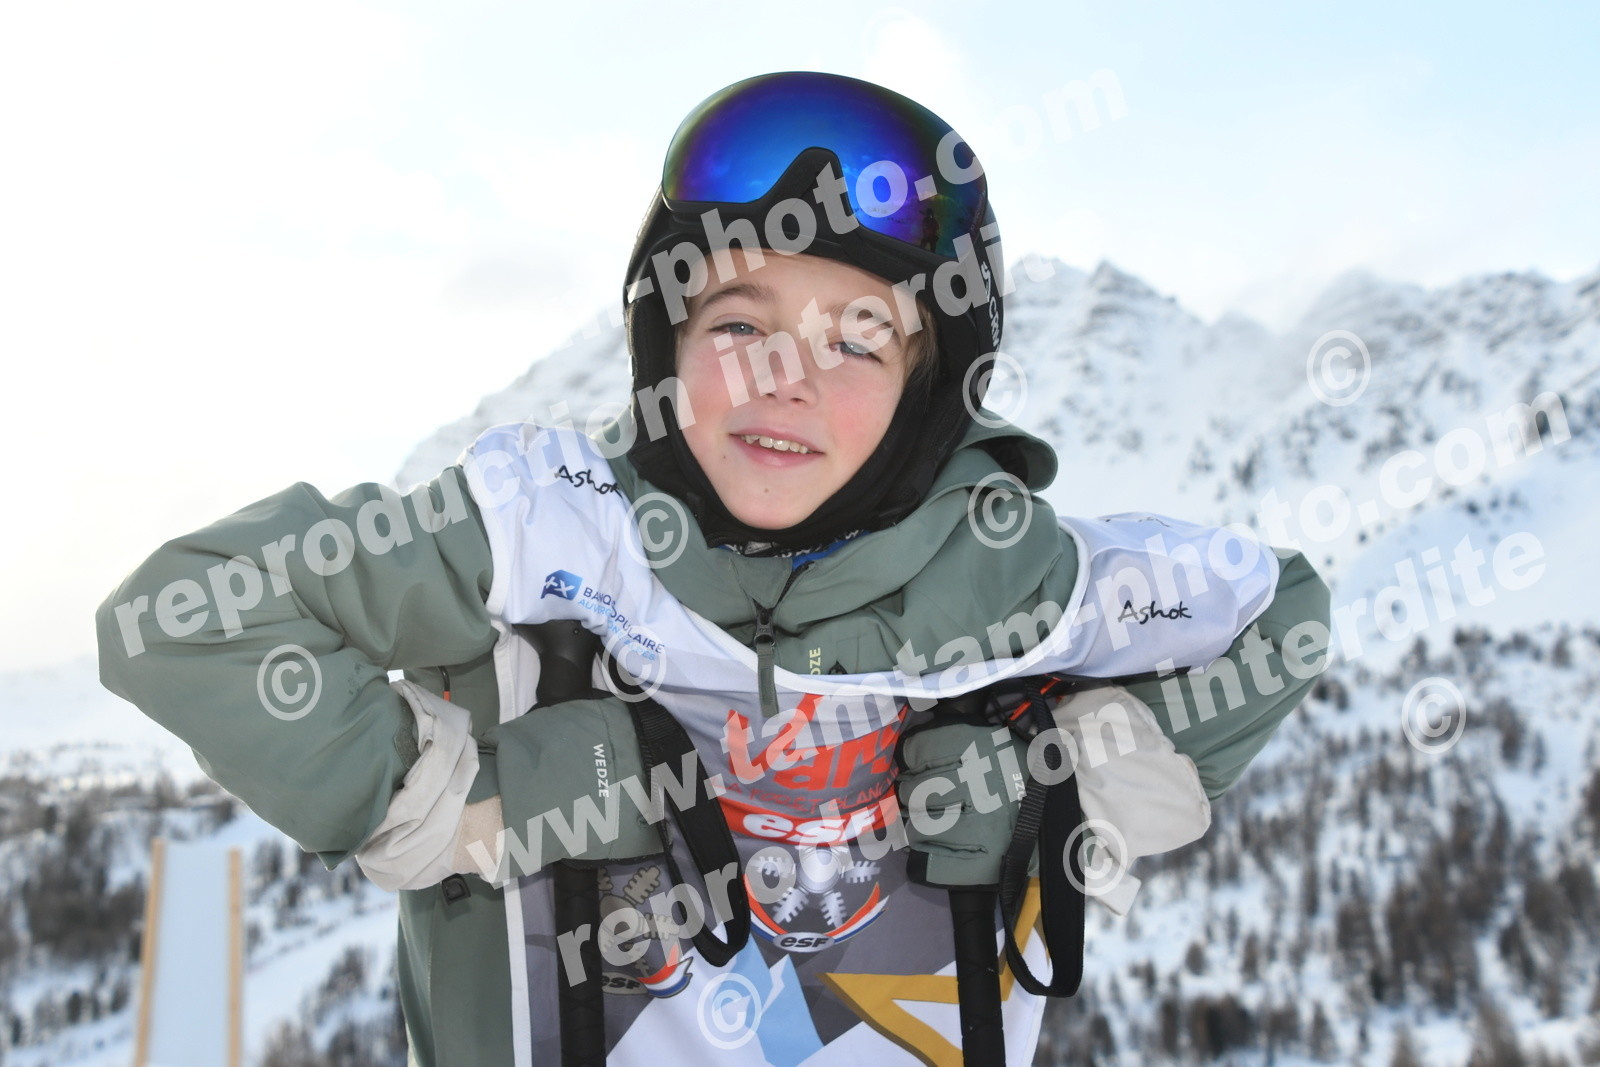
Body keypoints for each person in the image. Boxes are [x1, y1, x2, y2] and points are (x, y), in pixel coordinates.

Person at [97, 71, 1331, 1066]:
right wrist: (458, 800)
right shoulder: (551, 536)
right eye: (738, 323)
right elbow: (180, 617)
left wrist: (1088, 764)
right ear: (665, 343)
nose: (781, 377)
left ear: (929, 387)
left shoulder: (1013, 578)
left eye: (857, 339)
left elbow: (1280, 612)